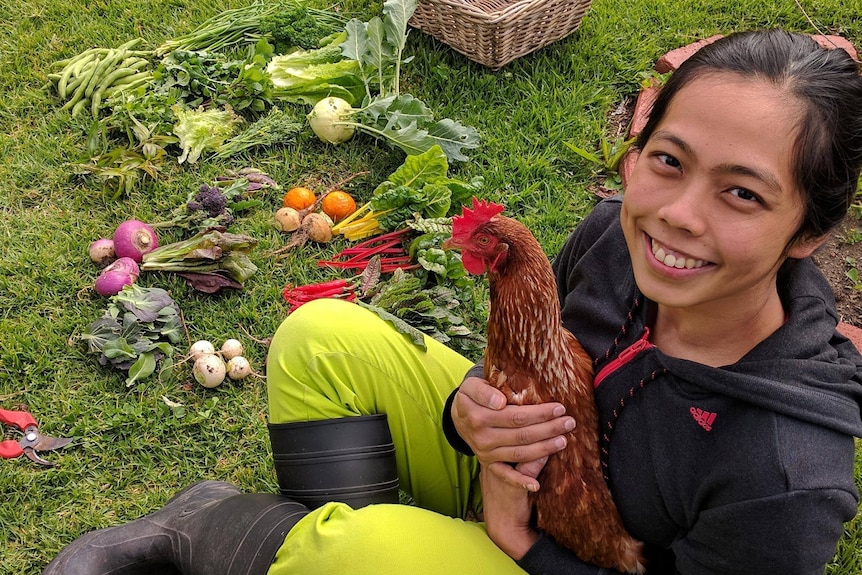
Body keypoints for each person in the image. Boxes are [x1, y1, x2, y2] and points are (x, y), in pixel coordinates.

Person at [44, 29, 862, 575]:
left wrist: (521, 543)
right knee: (321, 334)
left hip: (556, 550)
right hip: (509, 485)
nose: (680, 214)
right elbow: (518, 371)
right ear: (637, 154)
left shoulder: (785, 474)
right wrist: (468, 416)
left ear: (807, 231)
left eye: (743, 194)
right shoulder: (617, 236)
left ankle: (211, 528)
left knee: (357, 547)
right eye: (670, 160)